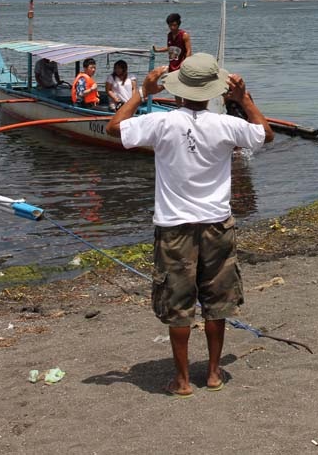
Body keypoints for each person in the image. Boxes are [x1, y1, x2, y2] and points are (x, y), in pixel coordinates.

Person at [108, 53, 274, 397]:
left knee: (178, 304)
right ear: (213, 91)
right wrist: (244, 99)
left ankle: (182, 380)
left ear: (179, 90)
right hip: (217, 225)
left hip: (175, 228)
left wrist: (142, 93)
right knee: (217, 301)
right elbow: (265, 134)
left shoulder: (163, 122)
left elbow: (115, 127)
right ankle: (213, 373)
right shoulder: (225, 124)